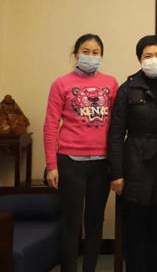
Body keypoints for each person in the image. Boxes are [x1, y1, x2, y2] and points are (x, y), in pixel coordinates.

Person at [43, 33, 118, 272]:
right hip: (70, 162)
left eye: (96, 52)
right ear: (76, 54)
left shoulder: (111, 83)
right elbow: (50, 125)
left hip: (102, 163)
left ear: (102, 56)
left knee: (95, 221)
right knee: (71, 222)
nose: (90, 56)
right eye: (85, 51)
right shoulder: (61, 83)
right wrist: (52, 165)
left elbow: (117, 125)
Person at [108, 35, 157, 272]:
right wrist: (116, 173)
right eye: (148, 56)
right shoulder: (127, 89)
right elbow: (116, 133)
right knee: (135, 230)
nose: (153, 60)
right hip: (134, 164)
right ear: (139, 59)